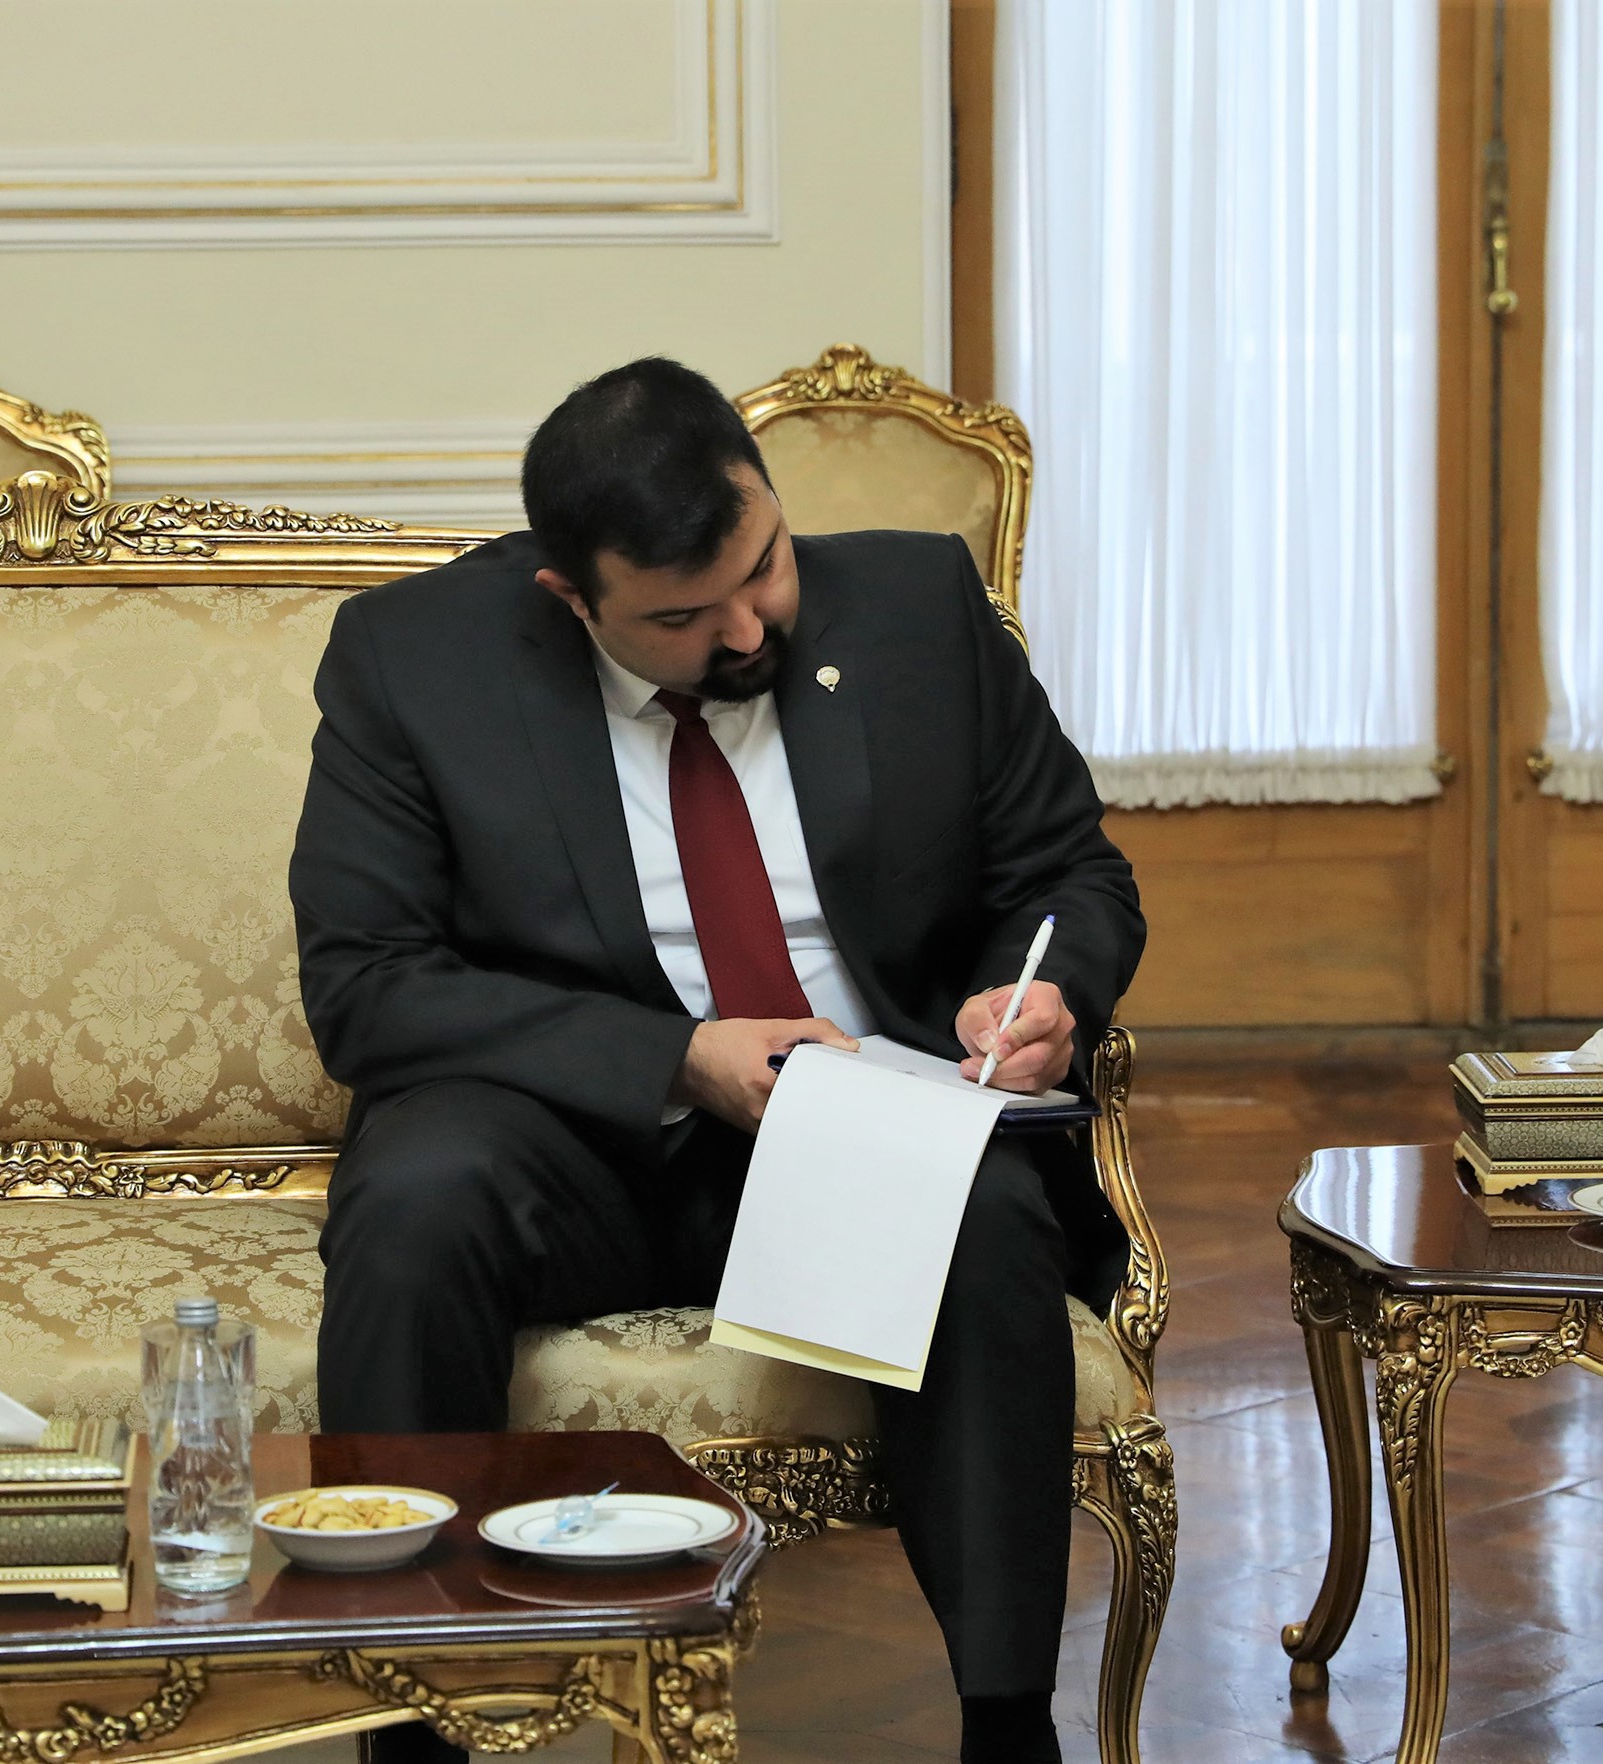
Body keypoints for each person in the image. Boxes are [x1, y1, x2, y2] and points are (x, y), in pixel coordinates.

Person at [290, 357, 1144, 1764]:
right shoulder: (414, 661)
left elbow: (1070, 872)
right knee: (415, 1203)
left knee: (983, 1213)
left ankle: (1009, 1729)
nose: (747, 629)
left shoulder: (920, 605)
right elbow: (366, 987)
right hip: (576, 1140)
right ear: (572, 600)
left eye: (764, 568)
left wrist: (1039, 992)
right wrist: (676, 1056)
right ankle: (416, 1719)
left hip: (860, 1125)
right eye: (683, 618)